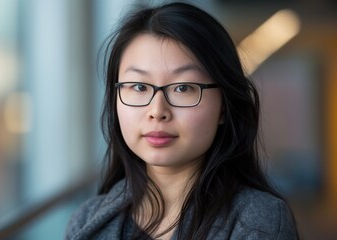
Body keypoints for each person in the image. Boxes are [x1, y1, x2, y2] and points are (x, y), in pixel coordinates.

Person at [66, 2, 299, 240]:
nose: (157, 111)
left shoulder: (259, 223)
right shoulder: (86, 221)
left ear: (224, 107)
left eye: (183, 88)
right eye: (139, 86)